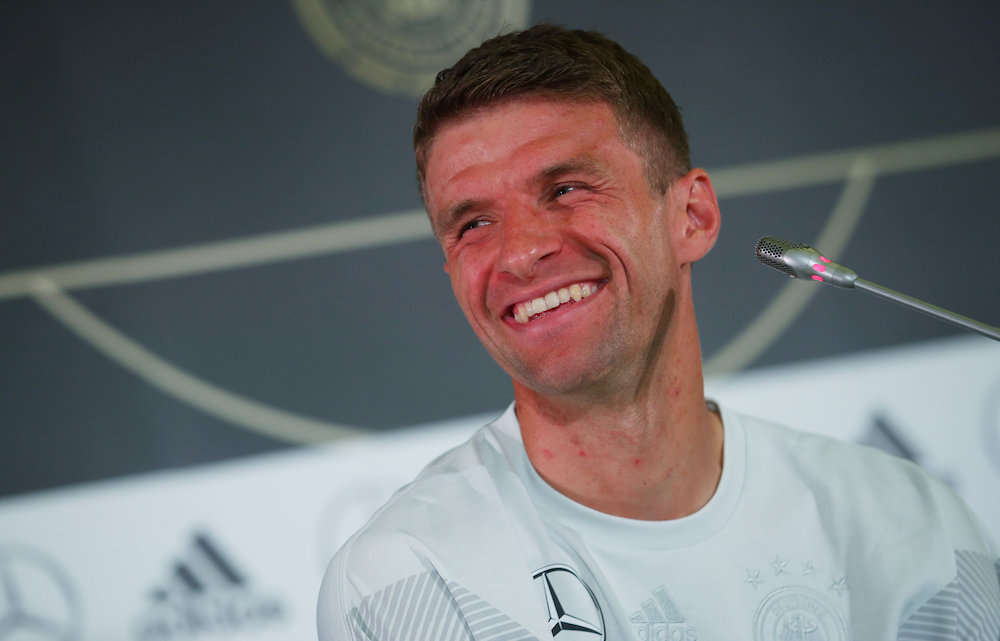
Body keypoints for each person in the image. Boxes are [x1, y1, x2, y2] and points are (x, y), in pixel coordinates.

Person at [318, 24, 1000, 640]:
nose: (521, 253)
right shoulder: (408, 580)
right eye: (473, 224)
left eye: (567, 188)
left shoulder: (910, 528)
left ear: (692, 217)